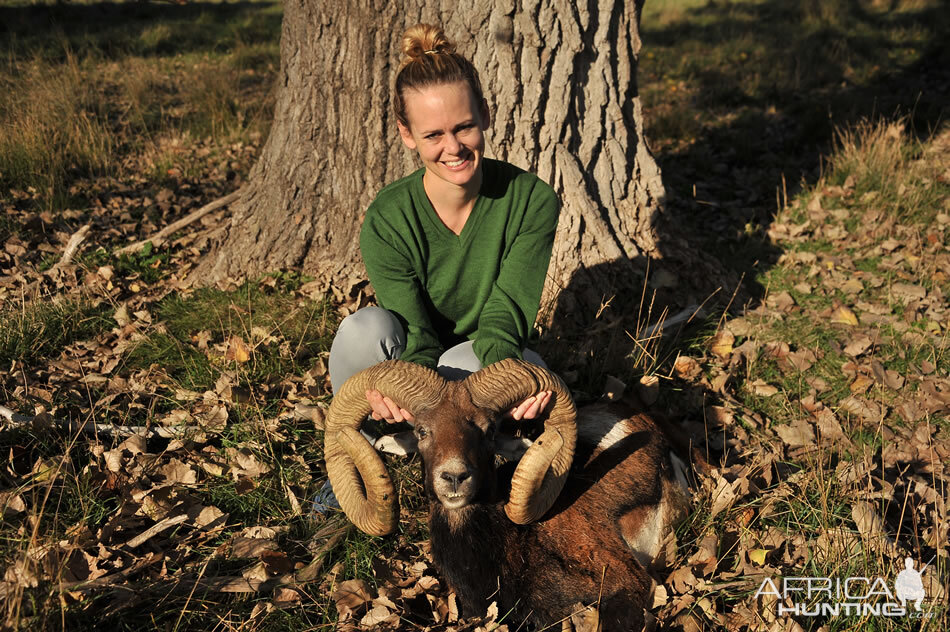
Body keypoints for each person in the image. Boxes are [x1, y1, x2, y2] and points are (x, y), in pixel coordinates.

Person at [328, 23, 559, 424]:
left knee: (522, 373)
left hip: (479, 355)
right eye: (433, 134)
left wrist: (511, 378)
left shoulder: (531, 201)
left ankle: (481, 457)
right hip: (413, 356)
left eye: (464, 127)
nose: (453, 147)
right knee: (362, 330)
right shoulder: (388, 217)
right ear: (407, 134)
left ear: (484, 114)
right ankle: (355, 458)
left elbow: (506, 314)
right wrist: (405, 389)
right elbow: (414, 332)